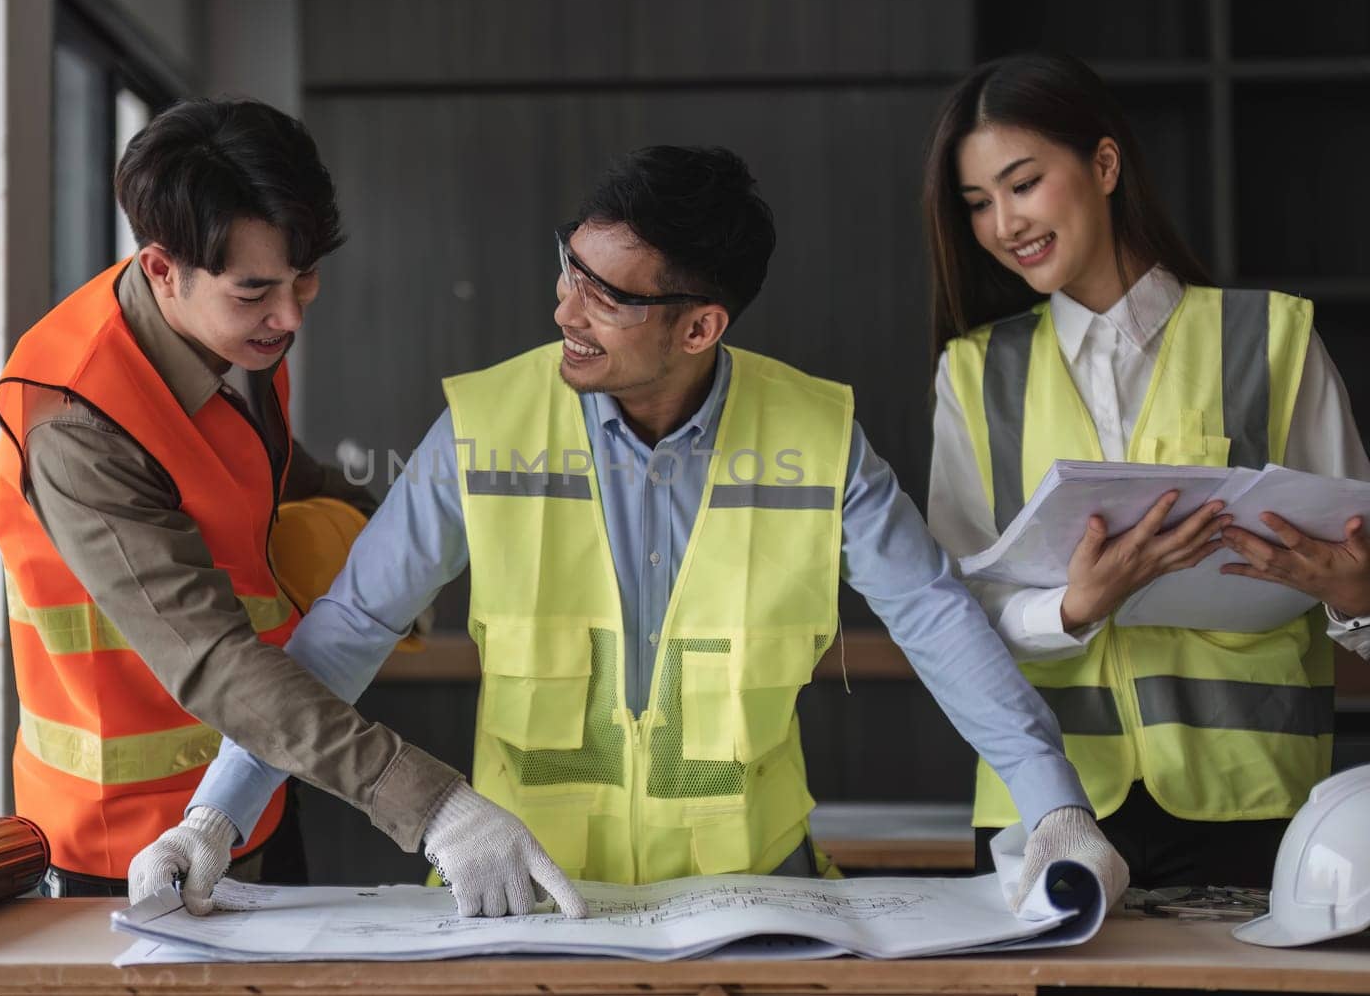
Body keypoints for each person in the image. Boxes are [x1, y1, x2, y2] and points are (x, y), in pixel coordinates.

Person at [134, 144, 1128, 914]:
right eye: (570, 270)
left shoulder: (818, 437)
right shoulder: (488, 426)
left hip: (754, 902)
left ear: (700, 327)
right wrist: (217, 812)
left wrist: (1054, 806)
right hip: (530, 894)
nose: (564, 307)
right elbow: (347, 630)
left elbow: (937, 619)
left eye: (605, 295)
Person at [0, 98, 582, 916]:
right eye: (257, 290)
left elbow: (263, 470)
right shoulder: (76, 426)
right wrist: (435, 804)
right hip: (126, 848)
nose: (292, 314)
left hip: (253, 787)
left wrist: (377, 535)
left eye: (305, 276)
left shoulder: (236, 338)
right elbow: (211, 658)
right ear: (163, 269)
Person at [923, 51, 1370, 889]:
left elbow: (1359, 559)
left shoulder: (1271, 341)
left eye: (1023, 184)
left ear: (1103, 164)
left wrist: (1353, 595)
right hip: (1046, 805)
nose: (1003, 224)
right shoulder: (973, 374)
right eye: (978, 203)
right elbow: (951, 608)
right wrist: (1073, 606)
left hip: (1254, 802)